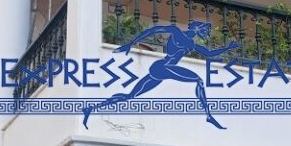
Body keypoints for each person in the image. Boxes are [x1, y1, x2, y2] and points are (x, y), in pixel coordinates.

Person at [82, 21, 238, 129]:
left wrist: (227, 48)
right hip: (164, 67)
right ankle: (209, 116)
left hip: (160, 71)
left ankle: (92, 108)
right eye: (205, 31)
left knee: (130, 95)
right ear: (198, 28)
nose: (206, 34)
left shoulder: (192, 44)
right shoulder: (176, 32)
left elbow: (209, 53)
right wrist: (131, 43)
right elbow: (153, 30)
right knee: (199, 80)